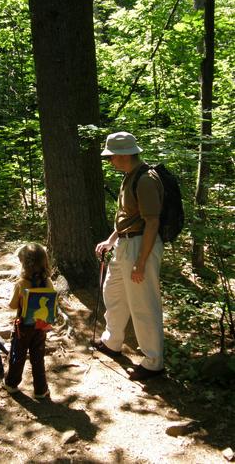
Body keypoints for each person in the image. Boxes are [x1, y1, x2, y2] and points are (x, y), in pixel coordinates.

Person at [93, 132, 165, 381]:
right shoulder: (130, 177)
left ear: (124, 155)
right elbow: (128, 216)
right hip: (125, 244)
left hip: (140, 246)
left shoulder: (145, 180)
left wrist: (141, 262)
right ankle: (112, 341)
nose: (110, 161)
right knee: (113, 294)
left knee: (143, 304)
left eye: (112, 156)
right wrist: (111, 239)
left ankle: (153, 362)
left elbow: (152, 222)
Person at [3, 243, 53, 398]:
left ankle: (11, 383)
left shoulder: (21, 283)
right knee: (38, 358)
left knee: (18, 355)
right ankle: (41, 389)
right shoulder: (48, 282)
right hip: (40, 327)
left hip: (23, 328)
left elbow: (12, 305)